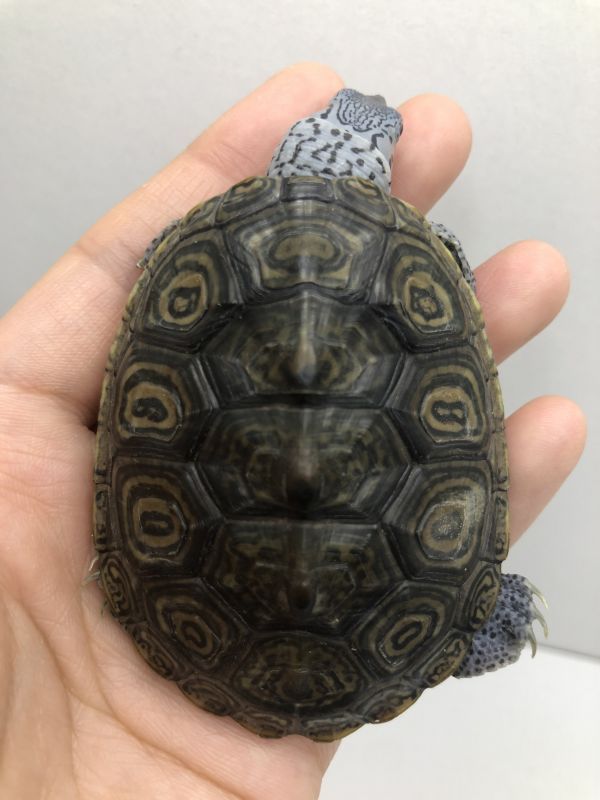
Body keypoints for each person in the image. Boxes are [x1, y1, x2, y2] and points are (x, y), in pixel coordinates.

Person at [0, 63, 586, 799]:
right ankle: (455, 620)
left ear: (295, 146)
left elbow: (156, 267)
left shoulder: (199, 244)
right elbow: (455, 295)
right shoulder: (422, 251)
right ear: (376, 167)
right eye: (378, 139)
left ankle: (455, 619)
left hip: (191, 618)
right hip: (376, 625)